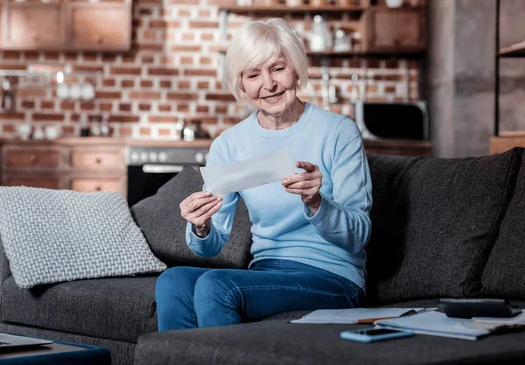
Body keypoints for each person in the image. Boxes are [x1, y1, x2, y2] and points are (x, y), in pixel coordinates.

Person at [155, 18, 372, 331]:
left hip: (332, 277)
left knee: (217, 285)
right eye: (253, 74)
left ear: (296, 69)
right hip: (265, 272)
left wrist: (316, 203)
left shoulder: (339, 132)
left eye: (278, 68)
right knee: (173, 280)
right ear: (241, 83)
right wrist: (200, 227)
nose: (268, 84)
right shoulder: (230, 145)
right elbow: (212, 244)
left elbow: (359, 235)